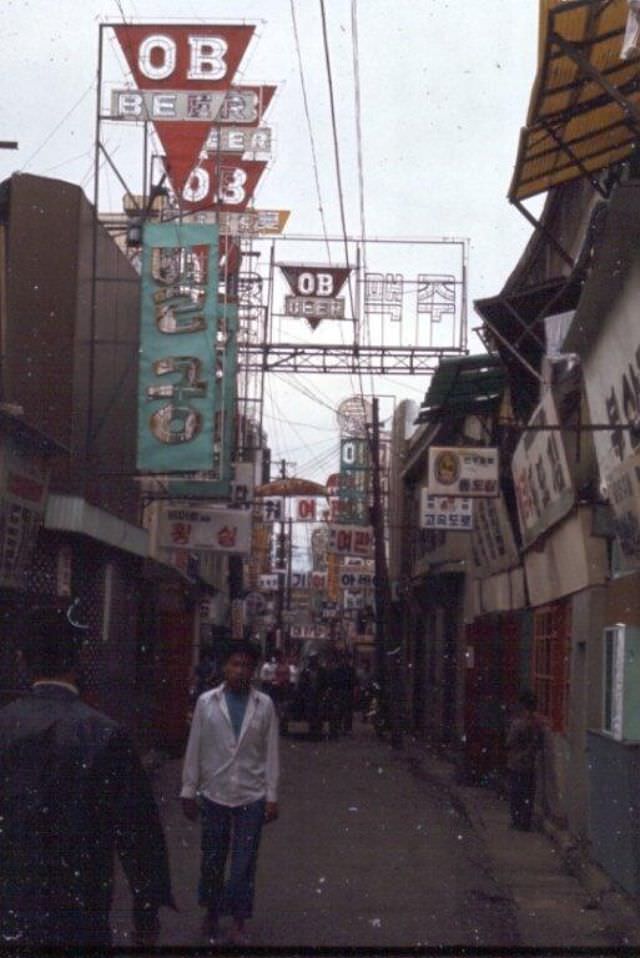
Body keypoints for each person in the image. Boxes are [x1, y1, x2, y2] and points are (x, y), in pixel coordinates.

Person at [0, 606, 174, 949]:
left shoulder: (5, 724)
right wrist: (146, 909)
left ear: (22, 661)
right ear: (78, 662)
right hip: (81, 898)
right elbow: (138, 832)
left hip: (11, 895)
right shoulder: (107, 734)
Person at [181, 641, 279, 946]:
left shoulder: (264, 705)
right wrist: (188, 789)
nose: (240, 670)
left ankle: (238, 920)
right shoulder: (206, 703)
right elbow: (194, 746)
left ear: (253, 670)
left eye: (246, 665)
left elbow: (271, 753)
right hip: (214, 792)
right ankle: (211, 912)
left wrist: (272, 795)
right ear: (224, 667)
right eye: (235, 664)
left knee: (244, 863)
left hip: (251, 794)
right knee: (212, 858)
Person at [506, 689, 545, 831]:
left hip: (516, 762)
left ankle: (517, 820)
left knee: (516, 793)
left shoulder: (518, 723)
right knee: (528, 792)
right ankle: (525, 821)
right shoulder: (537, 724)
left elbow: (509, 742)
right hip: (530, 763)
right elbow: (539, 744)